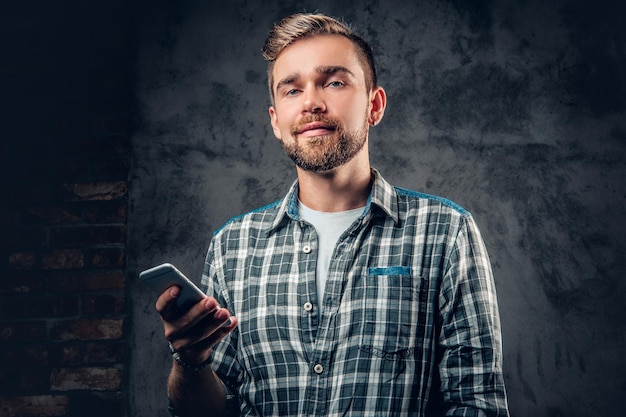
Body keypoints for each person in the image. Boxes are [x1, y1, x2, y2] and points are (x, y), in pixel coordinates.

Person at [155, 12, 510, 417]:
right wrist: (191, 359)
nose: (311, 102)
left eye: (335, 82)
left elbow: (477, 404)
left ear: (374, 105)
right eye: (291, 90)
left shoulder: (446, 234)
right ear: (276, 121)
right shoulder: (232, 247)